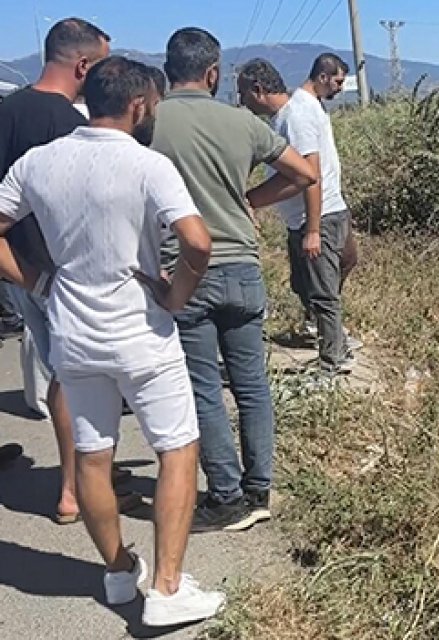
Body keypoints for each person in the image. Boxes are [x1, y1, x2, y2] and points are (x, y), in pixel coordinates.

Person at [0, 55, 224, 626]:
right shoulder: (148, 164)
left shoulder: (36, 163)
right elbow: (197, 243)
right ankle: (168, 589)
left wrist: (36, 279)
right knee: (177, 449)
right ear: (139, 104)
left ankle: (122, 573)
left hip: (74, 332)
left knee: (92, 459)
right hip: (141, 334)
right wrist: (176, 295)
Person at [151, 27, 317, 533]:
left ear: (167, 69)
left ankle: (225, 497)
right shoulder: (241, 122)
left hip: (184, 270)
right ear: (213, 72)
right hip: (241, 267)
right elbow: (303, 174)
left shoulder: (149, 123)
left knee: (203, 388)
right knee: (252, 387)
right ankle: (259, 489)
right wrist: (252, 200)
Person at [0, 17, 143, 524]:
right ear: (83, 65)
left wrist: (25, 277)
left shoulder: (8, 111)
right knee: (76, 378)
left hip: (19, 270)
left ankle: (86, 472)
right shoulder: (70, 127)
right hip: (62, 274)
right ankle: (75, 489)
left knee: (67, 372)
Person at [237, 56, 354, 375]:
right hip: (314, 215)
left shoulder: (294, 117)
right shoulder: (293, 113)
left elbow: (308, 175)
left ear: (257, 90)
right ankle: (336, 343)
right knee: (308, 285)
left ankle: (332, 363)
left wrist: (312, 229)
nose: (241, 103)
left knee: (322, 292)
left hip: (315, 217)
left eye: (242, 94)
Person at [297, 53, 362, 352]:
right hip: (320, 209)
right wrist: (312, 226)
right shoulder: (302, 111)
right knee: (324, 285)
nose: (340, 86)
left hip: (335, 203)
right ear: (322, 77)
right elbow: (310, 172)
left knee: (347, 260)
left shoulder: (316, 107)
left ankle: (320, 319)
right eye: (337, 80)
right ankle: (332, 353)